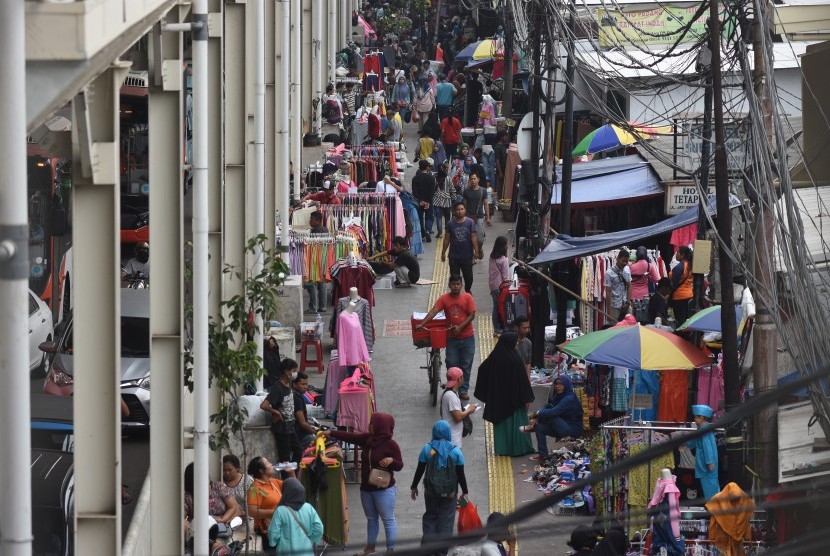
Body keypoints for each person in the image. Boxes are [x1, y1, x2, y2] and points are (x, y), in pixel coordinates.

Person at [322, 413, 403, 555]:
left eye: (372, 423)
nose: (369, 425)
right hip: (366, 488)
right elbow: (350, 437)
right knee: (371, 519)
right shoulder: (368, 439)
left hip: (384, 489)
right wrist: (331, 432)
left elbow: (400, 465)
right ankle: (370, 547)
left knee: (387, 519)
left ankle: (390, 549)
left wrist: (392, 461)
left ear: (380, 426)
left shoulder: (391, 445)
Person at [410, 420, 469, 553]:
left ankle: (427, 549)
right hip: (450, 492)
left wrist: (414, 487)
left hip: (431, 491)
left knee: (431, 516)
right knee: (446, 520)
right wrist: (465, 491)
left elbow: (419, 470)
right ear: (448, 432)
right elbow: (461, 474)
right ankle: (441, 552)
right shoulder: (456, 452)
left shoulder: (428, 449)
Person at [474, 332, 535, 456]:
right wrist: (527, 398)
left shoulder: (494, 357)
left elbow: (482, 370)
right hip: (515, 401)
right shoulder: (515, 359)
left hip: (498, 402)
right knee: (517, 425)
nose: (517, 343)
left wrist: (487, 394)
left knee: (502, 427)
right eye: (515, 341)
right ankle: (519, 449)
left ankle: (503, 450)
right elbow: (522, 381)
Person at [417, 275, 477, 400]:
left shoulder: (467, 297)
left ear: (461, 285)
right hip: (452, 338)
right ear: (449, 285)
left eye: (458, 284)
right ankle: (452, 387)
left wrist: (460, 327)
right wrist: (422, 324)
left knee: (466, 364)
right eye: (453, 284)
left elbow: (472, 315)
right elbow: (434, 311)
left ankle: (463, 389)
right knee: (451, 363)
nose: (456, 286)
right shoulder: (444, 299)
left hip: (467, 337)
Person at [525, 374, 583, 461]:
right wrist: (538, 413)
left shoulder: (569, 398)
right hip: (561, 426)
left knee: (551, 416)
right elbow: (547, 406)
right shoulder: (557, 396)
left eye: (560, 384)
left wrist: (537, 415)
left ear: (566, 385)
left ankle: (532, 425)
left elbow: (553, 412)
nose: (557, 386)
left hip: (572, 430)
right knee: (539, 427)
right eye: (556, 384)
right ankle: (543, 455)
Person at [260, 358, 303, 464]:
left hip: (290, 426)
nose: (295, 373)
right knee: (285, 458)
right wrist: (276, 412)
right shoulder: (277, 387)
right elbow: (264, 405)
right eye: (293, 371)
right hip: (282, 428)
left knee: (298, 451)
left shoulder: (289, 385)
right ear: (286, 371)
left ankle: (294, 475)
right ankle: (287, 478)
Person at [267, 478, 324, 556]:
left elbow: (273, 532)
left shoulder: (280, 510)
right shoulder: (309, 507)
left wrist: (273, 543)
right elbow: (319, 528)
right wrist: (312, 539)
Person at [184, 461, 242, 529]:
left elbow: (232, 507)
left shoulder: (219, 487)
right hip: (199, 530)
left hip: (221, 526)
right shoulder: (188, 497)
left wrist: (223, 520)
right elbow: (181, 518)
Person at [246, 456, 286, 552]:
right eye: (268, 463)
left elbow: (295, 489)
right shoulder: (254, 489)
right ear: (261, 470)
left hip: (280, 527)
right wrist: (276, 512)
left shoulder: (273, 482)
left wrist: (290, 472)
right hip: (268, 530)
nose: (271, 464)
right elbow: (252, 512)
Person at [441, 202, 480, 293]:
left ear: (465, 210)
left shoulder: (470, 222)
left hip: (467, 255)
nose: (460, 211)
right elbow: (447, 238)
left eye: (462, 209)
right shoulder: (450, 223)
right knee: (455, 277)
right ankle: (456, 294)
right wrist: (443, 252)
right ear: (454, 211)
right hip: (454, 256)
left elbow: (473, 237)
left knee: (468, 277)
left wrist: (476, 251)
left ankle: (467, 290)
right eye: (458, 209)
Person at [685, 404, 719, 502]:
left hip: (706, 464)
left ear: (702, 417)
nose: (695, 419)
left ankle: (713, 511)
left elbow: (707, 447)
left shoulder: (704, 430)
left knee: (710, 490)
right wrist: (687, 445)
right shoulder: (703, 429)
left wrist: (709, 462)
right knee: (710, 488)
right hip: (704, 462)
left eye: (696, 417)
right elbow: (696, 441)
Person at [440, 367, 477, 447]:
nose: (463, 379)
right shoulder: (451, 396)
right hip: (453, 442)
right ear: (459, 379)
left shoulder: (448, 393)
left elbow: (443, 413)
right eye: (462, 377)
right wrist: (469, 410)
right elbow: (458, 417)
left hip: (451, 439)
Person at [304, 211, 329, 313]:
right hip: (323, 258)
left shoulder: (315, 231)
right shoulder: (325, 230)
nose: (310, 221)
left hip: (315, 259)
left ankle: (312, 307)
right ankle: (322, 306)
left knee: (312, 283)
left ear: (318, 220)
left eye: (312, 219)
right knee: (322, 283)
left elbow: (312, 247)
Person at [462, 172, 490, 256]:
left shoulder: (483, 190)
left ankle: (479, 249)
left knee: (480, 239)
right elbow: (464, 205)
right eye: (471, 179)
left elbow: (486, 204)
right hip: (468, 218)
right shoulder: (466, 191)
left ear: (478, 179)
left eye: (474, 179)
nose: (473, 181)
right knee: (469, 239)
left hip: (479, 217)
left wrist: (488, 217)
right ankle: (473, 256)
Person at [489, 236, 510, 335]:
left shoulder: (492, 257)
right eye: (506, 244)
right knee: (501, 307)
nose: (507, 246)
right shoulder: (503, 260)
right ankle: (499, 328)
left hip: (493, 286)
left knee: (495, 307)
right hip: (500, 287)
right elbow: (505, 277)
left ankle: (496, 328)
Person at [292, 372, 318, 452]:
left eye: (306, 384)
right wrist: (316, 433)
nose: (306, 387)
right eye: (302, 384)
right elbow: (303, 423)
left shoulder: (296, 395)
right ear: (294, 384)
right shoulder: (297, 399)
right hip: (300, 435)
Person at [412, 159, 437, 241]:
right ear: (427, 167)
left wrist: (420, 201)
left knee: (420, 218)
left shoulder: (415, 178)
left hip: (418, 202)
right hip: (428, 201)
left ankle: (422, 233)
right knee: (429, 217)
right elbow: (432, 191)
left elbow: (414, 192)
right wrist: (427, 201)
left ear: (419, 167)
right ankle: (427, 230)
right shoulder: (431, 178)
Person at [604, 249, 632, 322]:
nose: (625, 263)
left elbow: (629, 285)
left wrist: (628, 302)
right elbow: (608, 293)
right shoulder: (609, 273)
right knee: (615, 327)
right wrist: (608, 312)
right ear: (617, 258)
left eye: (626, 261)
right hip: (615, 306)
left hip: (626, 304)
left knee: (629, 326)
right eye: (623, 261)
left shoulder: (627, 269)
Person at [670, 246, 694, 326]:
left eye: (677, 253)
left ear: (682, 255)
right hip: (689, 295)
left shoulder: (680, 267)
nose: (676, 255)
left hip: (679, 298)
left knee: (680, 320)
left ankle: (681, 336)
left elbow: (674, 284)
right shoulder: (691, 266)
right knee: (687, 319)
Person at [432, 162, 453, 239]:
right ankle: (447, 232)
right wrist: (453, 199)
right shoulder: (448, 178)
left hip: (437, 200)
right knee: (447, 217)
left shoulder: (434, 178)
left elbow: (432, 189)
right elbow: (452, 189)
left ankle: (440, 233)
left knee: (438, 217)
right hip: (447, 200)